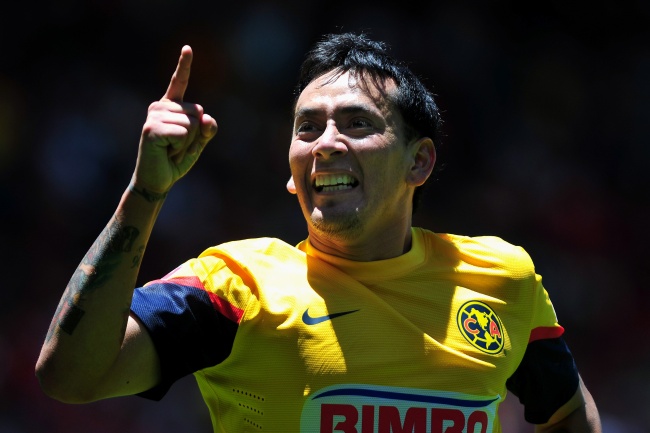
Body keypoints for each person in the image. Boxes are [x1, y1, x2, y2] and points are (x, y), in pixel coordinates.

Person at [36, 33, 601, 432]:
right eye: (307, 128)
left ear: (419, 161)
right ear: (292, 172)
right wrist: (145, 192)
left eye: (357, 123)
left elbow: (568, 412)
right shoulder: (237, 287)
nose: (326, 143)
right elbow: (70, 376)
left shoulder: (501, 278)